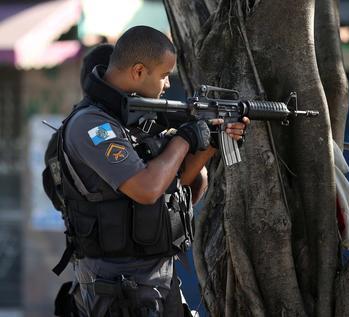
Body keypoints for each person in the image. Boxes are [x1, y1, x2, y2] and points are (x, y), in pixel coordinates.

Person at [57, 26, 249, 316]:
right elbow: (146, 190)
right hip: (118, 286)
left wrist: (211, 142)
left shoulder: (135, 119)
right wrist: (184, 139)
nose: (167, 84)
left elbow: (176, 184)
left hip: (156, 278)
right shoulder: (93, 126)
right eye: (163, 75)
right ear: (137, 71)